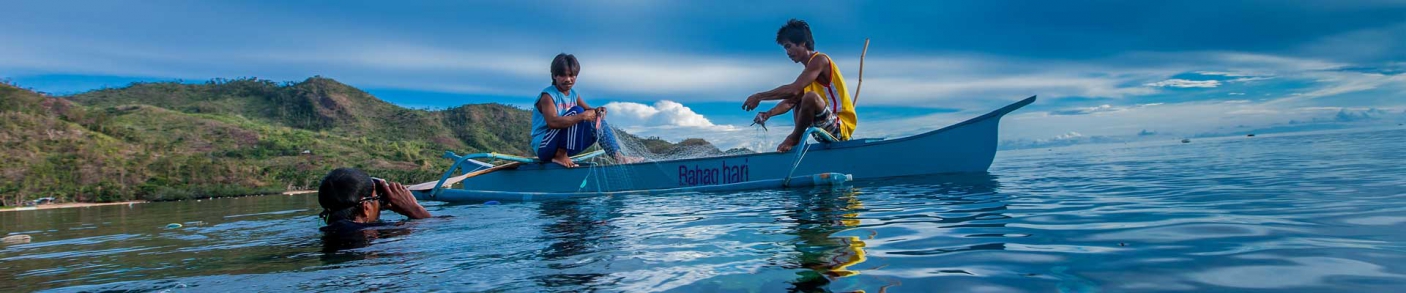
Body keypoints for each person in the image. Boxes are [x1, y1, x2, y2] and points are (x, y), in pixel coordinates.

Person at [743, 19, 859, 152]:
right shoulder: (808, 74)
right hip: (822, 129)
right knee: (799, 99)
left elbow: (792, 89)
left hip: (839, 128)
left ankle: (794, 138)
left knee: (810, 98)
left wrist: (759, 96)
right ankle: (797, 145)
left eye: (788, 46)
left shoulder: (820, 60)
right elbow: (790, 101)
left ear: (803, 43)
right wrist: (768, 114)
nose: (787, 52)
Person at [530, 53, 641, 167]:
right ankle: (560, 156)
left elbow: (589, 111)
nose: (568, 79)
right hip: (545, 147)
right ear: (554, 76)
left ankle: (619, 157)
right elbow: (552, 122)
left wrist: (599, 111)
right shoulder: (548, 96)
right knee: (578, 111)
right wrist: (582, 116)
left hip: (566, 147)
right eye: (563, 75)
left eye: (572, 75)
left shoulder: (573, 94)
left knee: (596, 120)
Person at [317, 167, 432, 234]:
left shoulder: (326, 232)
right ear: (365, 208)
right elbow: (437, 227)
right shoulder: (391, 230)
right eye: (377, 198)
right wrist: (415, 210)